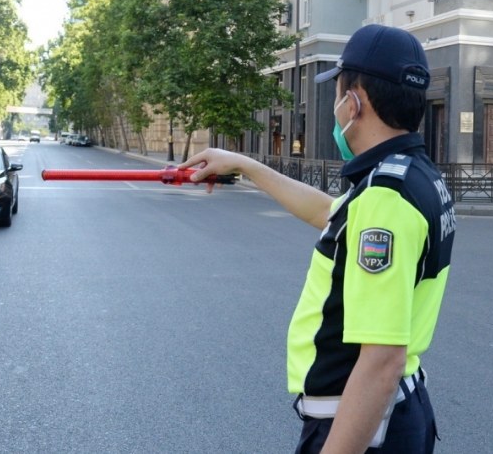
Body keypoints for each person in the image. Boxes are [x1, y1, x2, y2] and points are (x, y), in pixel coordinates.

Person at [179, 24, 456, 453]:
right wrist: (245, 165)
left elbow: (383, 360)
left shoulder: (387, 198)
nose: (336, 108)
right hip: (394, 412)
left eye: (338, 94)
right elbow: (332, 214)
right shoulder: (412, 175)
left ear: (354, 101)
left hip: (360, 425)